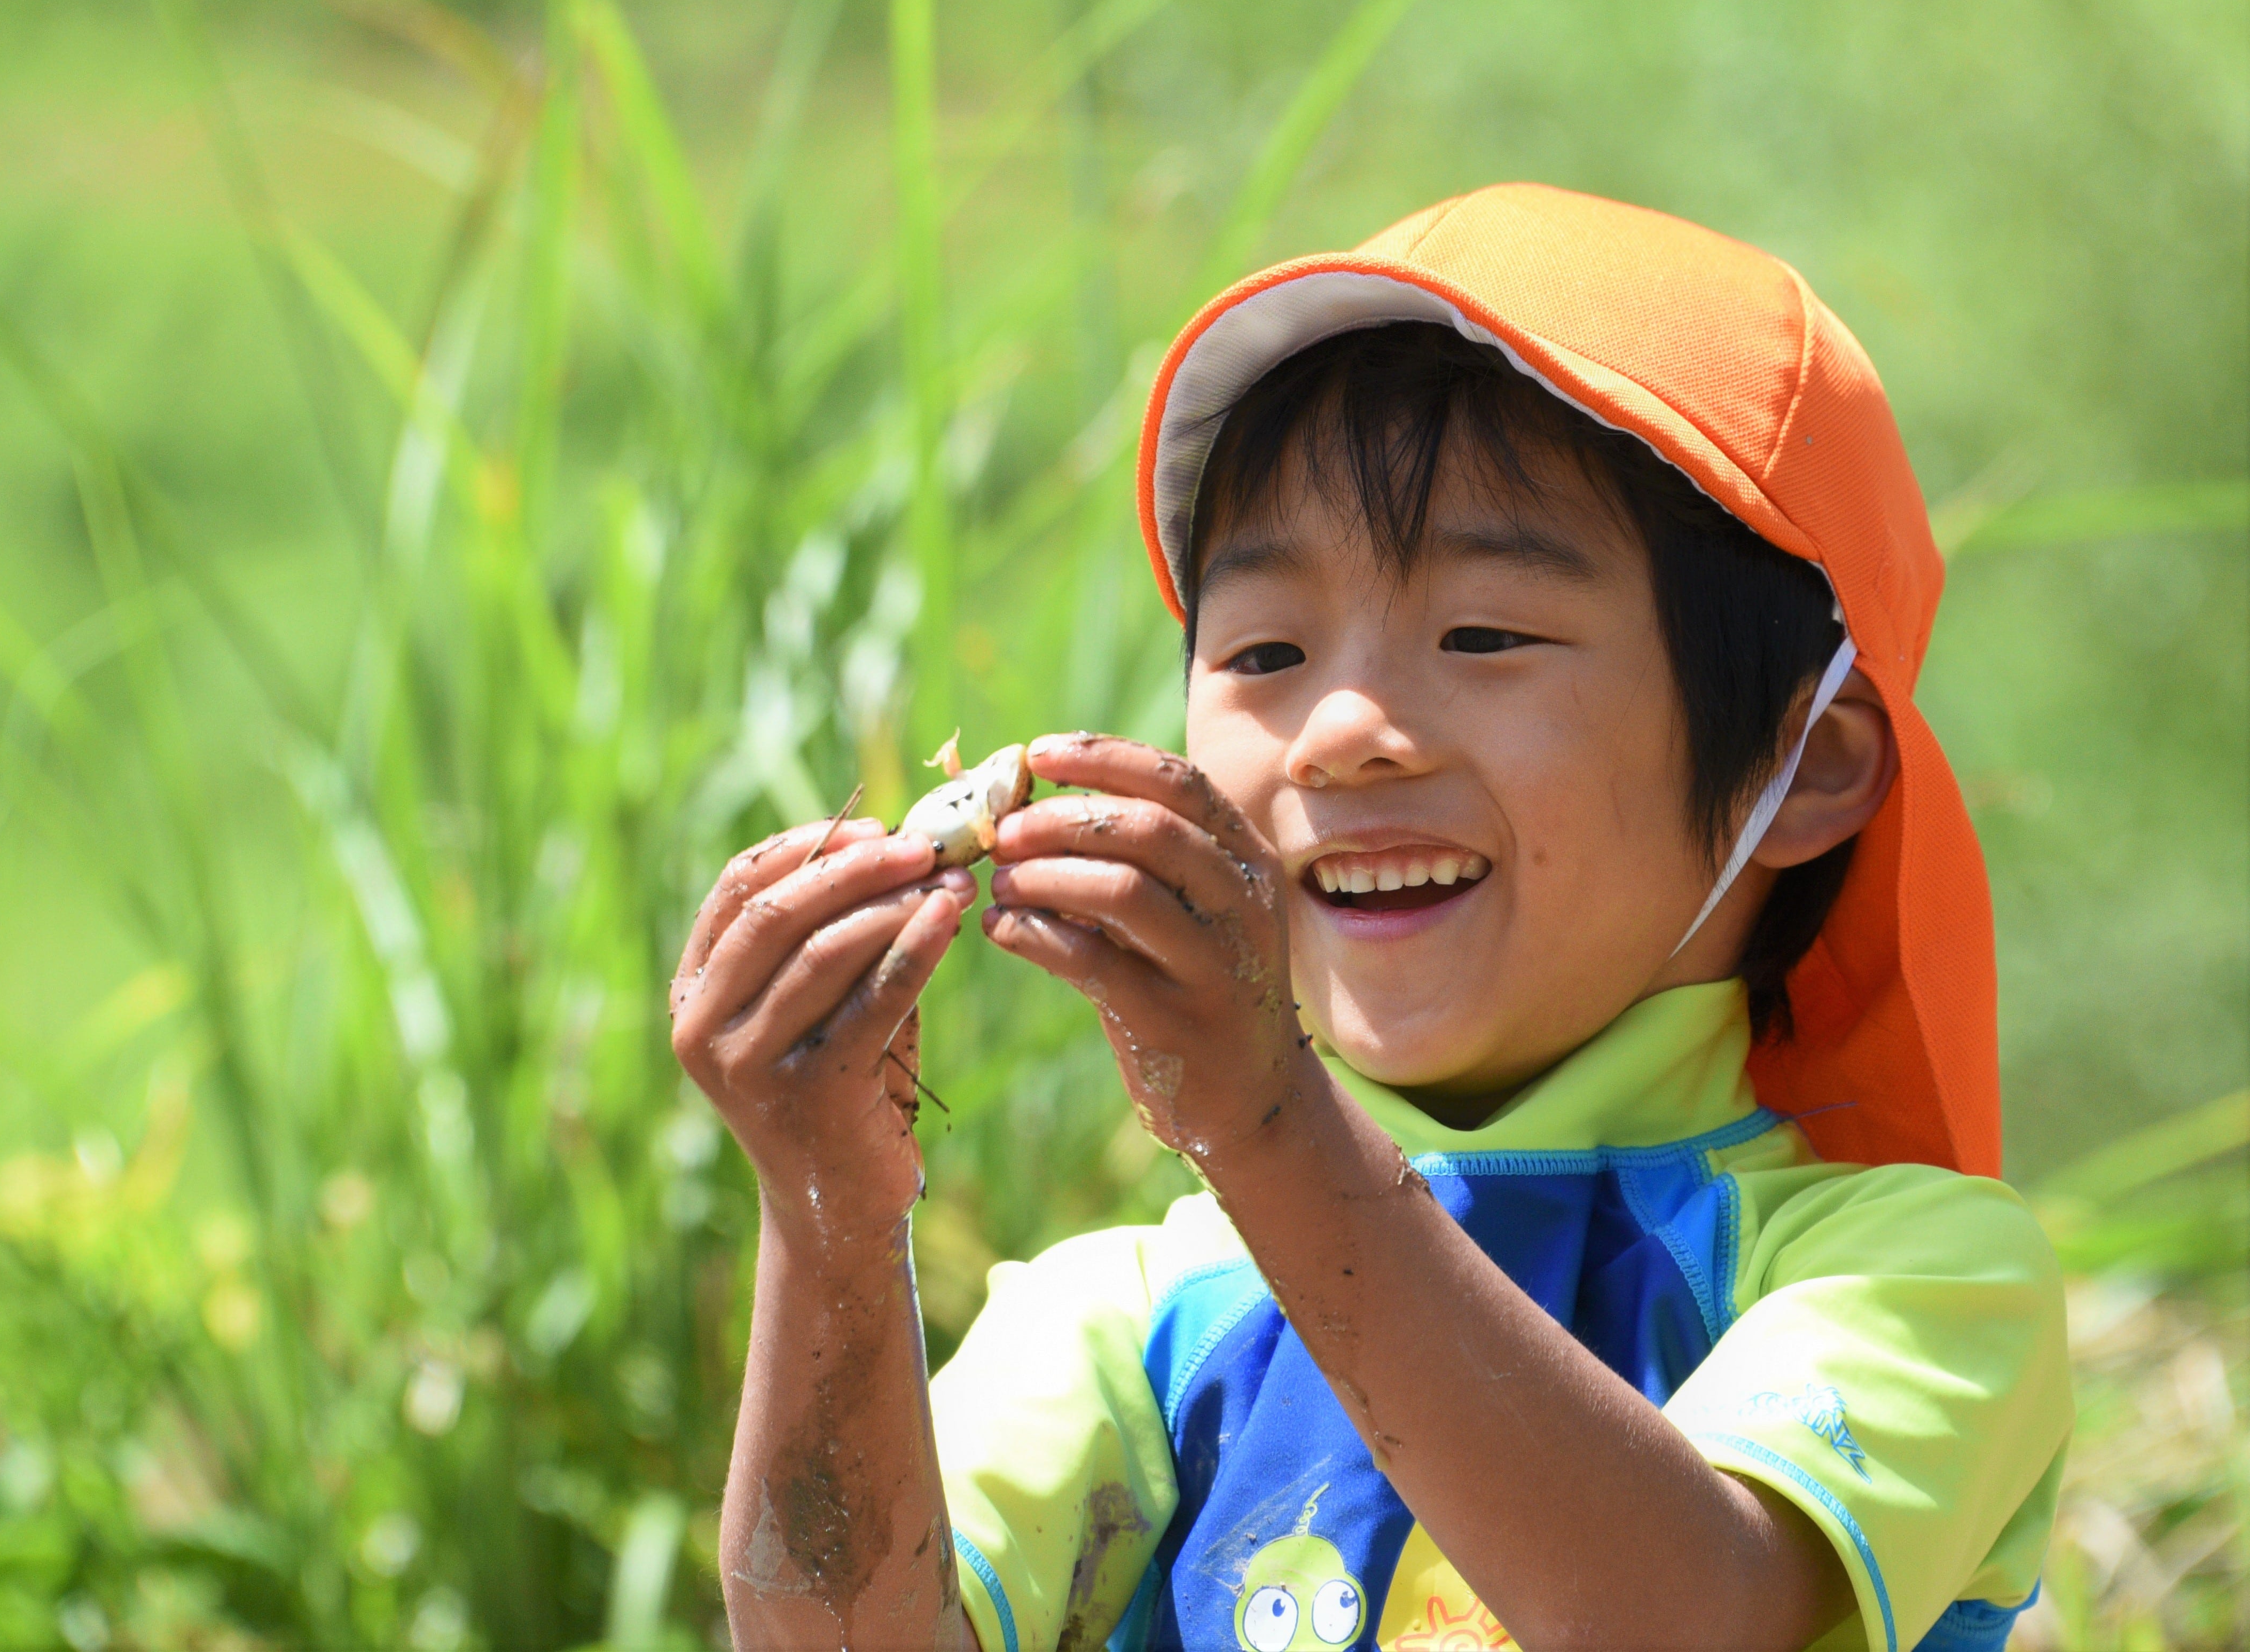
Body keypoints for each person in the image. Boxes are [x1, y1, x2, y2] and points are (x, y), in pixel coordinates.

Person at [668, 184, 2070, 1652]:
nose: (1341, 731)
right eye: (1263, 649)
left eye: (1483, 633)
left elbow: (1677, 1618)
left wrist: (1268, 1121)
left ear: (1807, 761)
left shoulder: (1909, 1270)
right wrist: (826, 1214)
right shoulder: (1142, 1314)